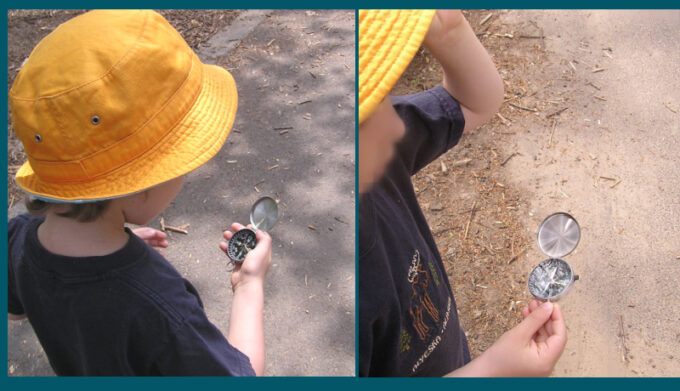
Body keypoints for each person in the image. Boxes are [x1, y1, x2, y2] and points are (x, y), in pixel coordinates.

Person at [7, 10, 271, 376]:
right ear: (140, 184)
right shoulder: (160, 305)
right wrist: (249, 285)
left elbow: (17, 308)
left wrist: (115, 237)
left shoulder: (19, 238)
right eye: (182, 163)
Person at [358, 9, 567, 377]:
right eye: (374, 110)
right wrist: (494, 372)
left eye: (383, 96)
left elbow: (476, 103)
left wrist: (449, 31)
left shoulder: (374, 158)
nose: (395, 125)